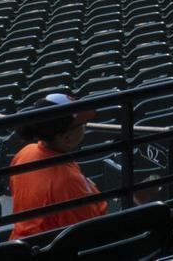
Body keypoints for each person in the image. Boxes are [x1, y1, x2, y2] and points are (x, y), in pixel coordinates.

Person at [8, 93, 104, 239]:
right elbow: (87, 234)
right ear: (66, 138)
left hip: (23, 244)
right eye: (82, 124)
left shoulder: (26, 152)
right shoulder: (67, 180)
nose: (85, 126)